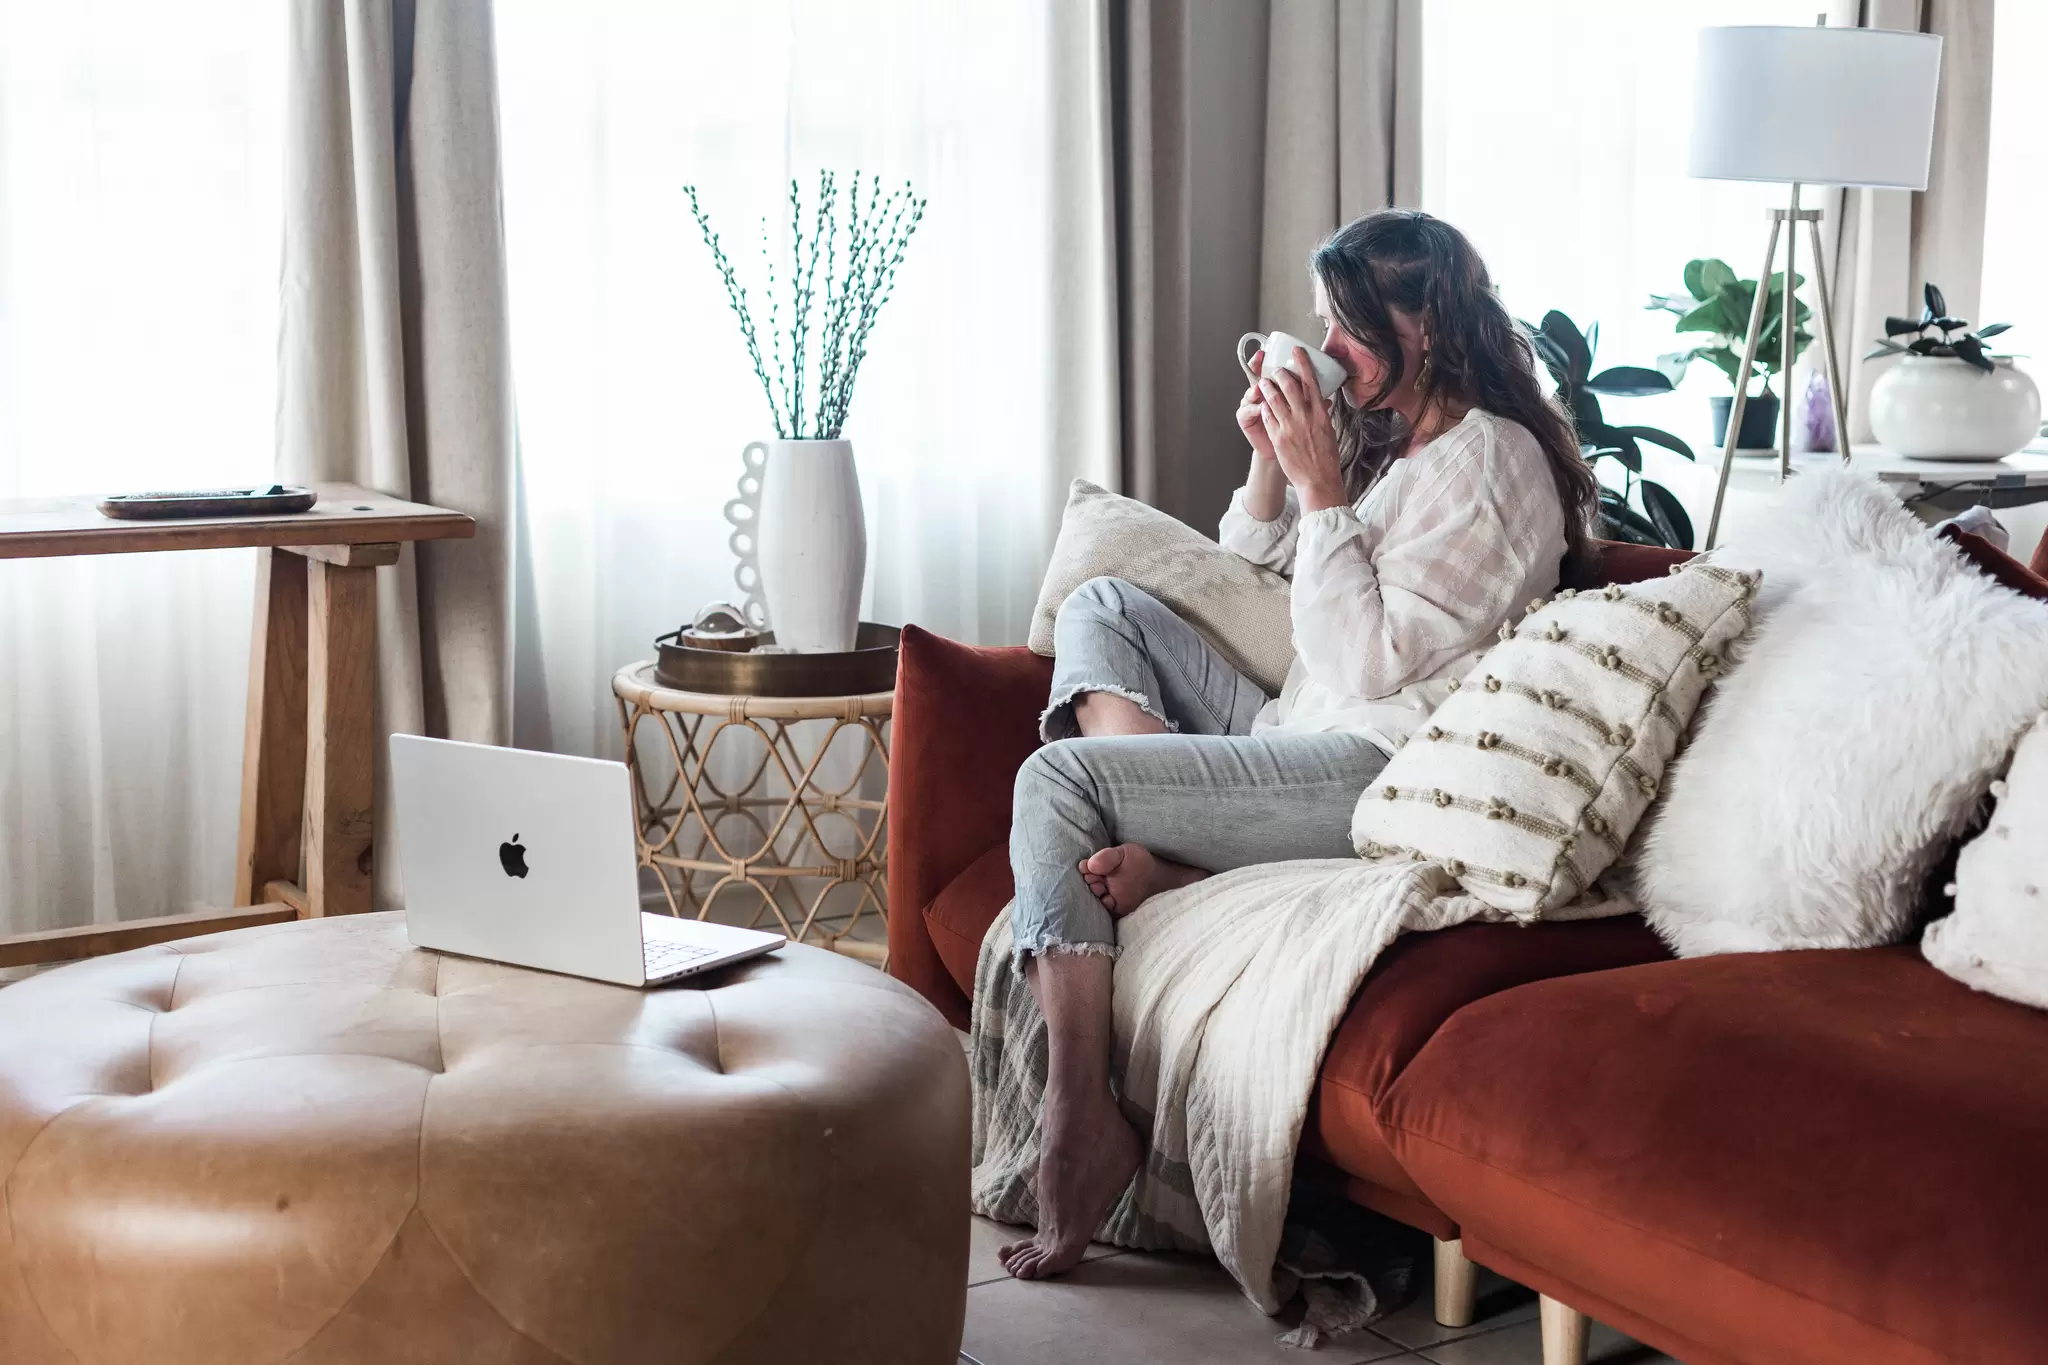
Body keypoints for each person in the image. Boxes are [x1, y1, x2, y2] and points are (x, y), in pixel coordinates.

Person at [997, 208, 1600, 1280]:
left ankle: (1078, 1116)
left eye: (1347, 332)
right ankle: (1160, 831)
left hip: (1372, 766)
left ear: (1422, 326)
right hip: (1297, 729)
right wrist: (1277, 470)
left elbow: (1368, 658)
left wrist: (1326, 491)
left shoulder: (1495, 464)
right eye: (1320, 327)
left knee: (1055, 779)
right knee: (1104, 607)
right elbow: (1264, 559)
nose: (1325, 353)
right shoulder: (1403, 441)